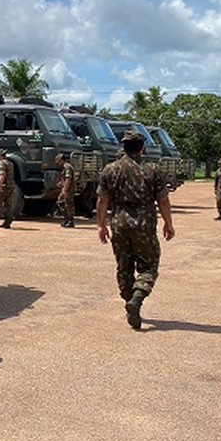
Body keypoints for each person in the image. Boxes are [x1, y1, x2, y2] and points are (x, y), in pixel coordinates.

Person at [96, 130, 176, 330]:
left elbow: (102, 200)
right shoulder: (152, 170)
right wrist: (168, 222)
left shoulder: (110, 170)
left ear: (123, 147)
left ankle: (128, 301)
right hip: (144, 223)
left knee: (124, 266)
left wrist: (101, 225)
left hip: (119, 222)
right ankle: (137, 299)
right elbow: (163, 199)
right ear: (142, 147)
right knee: (149, 266)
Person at [0, 149, 16, 228]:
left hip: (5, 186)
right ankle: (7, 223)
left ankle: (9, 216)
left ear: (0, 155)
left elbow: (2, 174)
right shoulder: (10, 163)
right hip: (11, 185)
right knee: (7, 204)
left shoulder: (2, 163)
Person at [56, 151, 76, 228]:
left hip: (68, 189)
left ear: (62, 160)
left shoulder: (67, 167)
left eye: (58, 161)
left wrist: (65, 189)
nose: (58, 163)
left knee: (68, 204)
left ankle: (70, 220)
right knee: (62, 203)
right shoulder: (65, 167)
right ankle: (67, 219)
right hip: (66, 188)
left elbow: (68, 179)